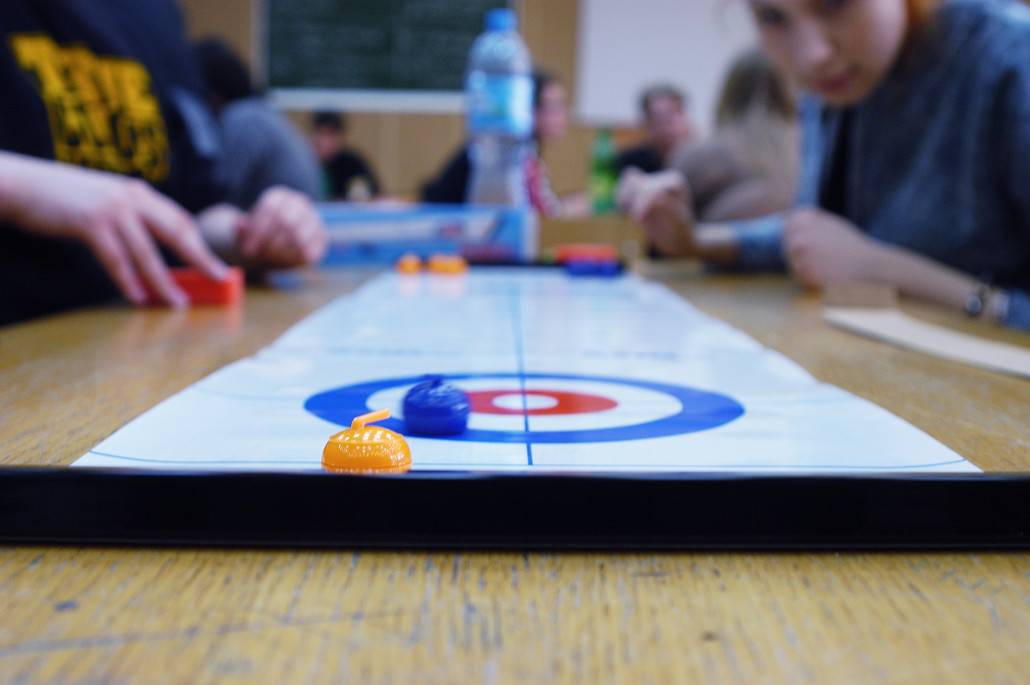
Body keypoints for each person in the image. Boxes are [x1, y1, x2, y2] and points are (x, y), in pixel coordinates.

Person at [622, 0, 1030, 330]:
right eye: (771, 16)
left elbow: (852, 255)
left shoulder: (1009, 62)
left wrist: (884, 269)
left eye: (834, 2)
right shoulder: (839, 82)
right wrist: (697, 241)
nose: (812, 55)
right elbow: (819, 237)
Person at [0, 0, 326, 326]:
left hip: (136, 328)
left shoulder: (154, 14)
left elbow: (193, 212)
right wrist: (21, 186)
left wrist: (253, 237)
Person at [619, 47, 799, 228]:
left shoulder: (703, 155)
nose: (668, 125)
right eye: (660, 118)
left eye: (675, 114)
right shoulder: (804, 154)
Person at [420, 68, 580, 217]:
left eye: (562, 104)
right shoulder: (508, 152)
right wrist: (570, 207)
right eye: (553, 106)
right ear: (527, 108)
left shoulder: (522, 146)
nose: (562, 115)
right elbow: (541, 216)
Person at [192, 37, 322, 210]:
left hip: (284, 219)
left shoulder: (243, 117)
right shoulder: (260, 111)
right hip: (298, 214)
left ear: (213, 91)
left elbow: (222, 191)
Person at [614, 84, 695, 175]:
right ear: (646, 123)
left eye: (673, 114)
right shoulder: (629, 163)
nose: (668, 123)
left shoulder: (698, 160)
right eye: (659, 117)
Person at [310, 111, 380, 202]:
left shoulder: (353, 163)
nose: (325, 141)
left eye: (331, 134)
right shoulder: (305, 163)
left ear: (341, 136)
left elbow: (374, 194)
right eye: (321, 133)